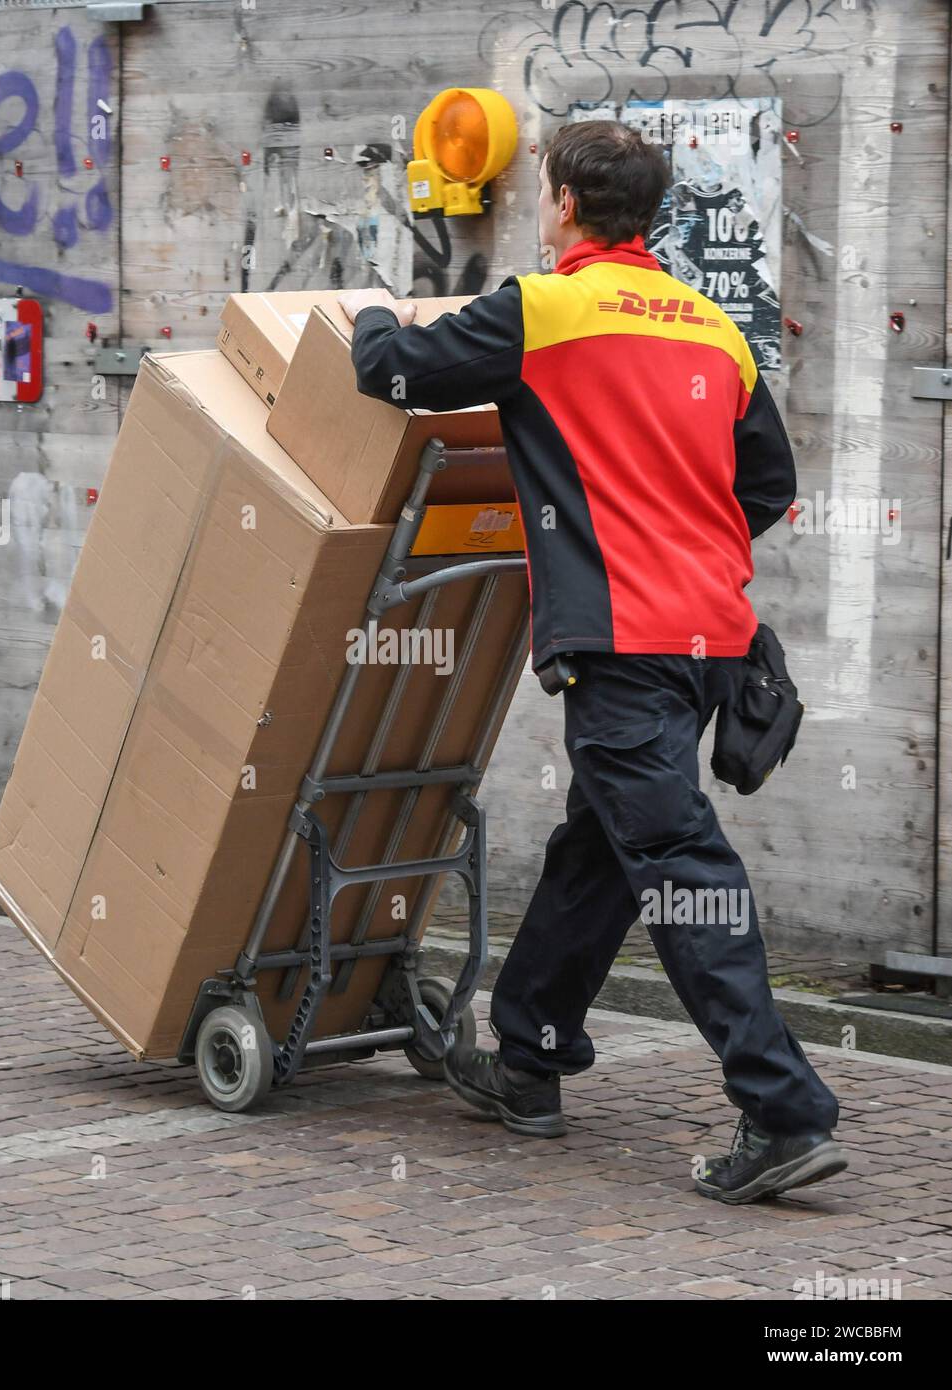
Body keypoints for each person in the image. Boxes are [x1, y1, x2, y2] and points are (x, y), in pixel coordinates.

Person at [338, 119, 845, 1205]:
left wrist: (373, 308)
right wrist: (678, 544)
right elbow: (766, 486)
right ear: (650, 213)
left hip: (624, 643)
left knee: (681, 871)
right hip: (710, 639)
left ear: (563, 205)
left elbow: (395, 370)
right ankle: (528, 1056)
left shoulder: (545, 309)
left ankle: (782, 1108)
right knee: (602, 850)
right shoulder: (714, 326)